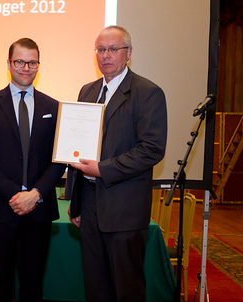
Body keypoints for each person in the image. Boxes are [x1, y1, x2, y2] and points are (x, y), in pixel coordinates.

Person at [65, 25, 168, 301]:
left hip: (124, 209)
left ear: (129, 53)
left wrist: (102, 169)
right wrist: (75, 201)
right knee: (96, 287)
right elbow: (76, 149)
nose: (105, 56)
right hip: (89, 206)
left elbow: (151, 149)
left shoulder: (148, 92)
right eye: (100, 50)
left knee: (127, 289)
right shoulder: (87, 91)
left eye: (113, 49)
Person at [0, 37, 66, 302]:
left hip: (38, 209)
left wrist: (35, 194)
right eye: (20, 61)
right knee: (0, 284)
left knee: (33, 284)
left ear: (39, 64)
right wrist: (17, 195)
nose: (26, 67)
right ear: (9, 63)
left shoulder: (53, 106)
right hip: (2, 209)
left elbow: (58, 160)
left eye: (32, 62)